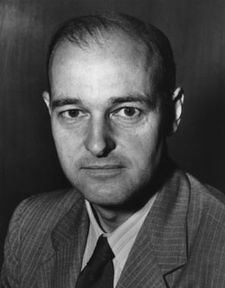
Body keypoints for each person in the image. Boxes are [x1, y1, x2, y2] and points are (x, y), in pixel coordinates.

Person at [1, 13, 225, 288]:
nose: (97, 144)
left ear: (173, 113)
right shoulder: (29, 224)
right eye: (73, 113)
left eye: (127, 111)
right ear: (49, 111)